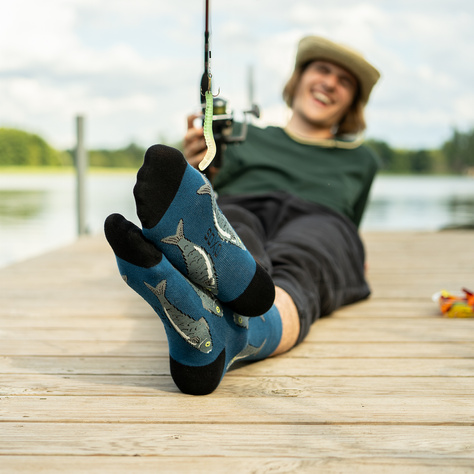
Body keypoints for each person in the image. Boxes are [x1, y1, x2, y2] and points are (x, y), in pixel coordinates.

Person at [104, 35, 381, 396]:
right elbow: (205, 175)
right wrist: (198, 161)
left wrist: (349, 259)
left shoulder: (362, 159)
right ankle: (235, 292)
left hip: (322, 217)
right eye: (322, 70)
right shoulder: (237, 135)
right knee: (236, 229)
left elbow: (350, 223)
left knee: (308, 256)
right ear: (298, 79)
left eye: (344, 81)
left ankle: (221, 332)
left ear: (353, 103)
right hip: (242, 206)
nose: (330, 82)